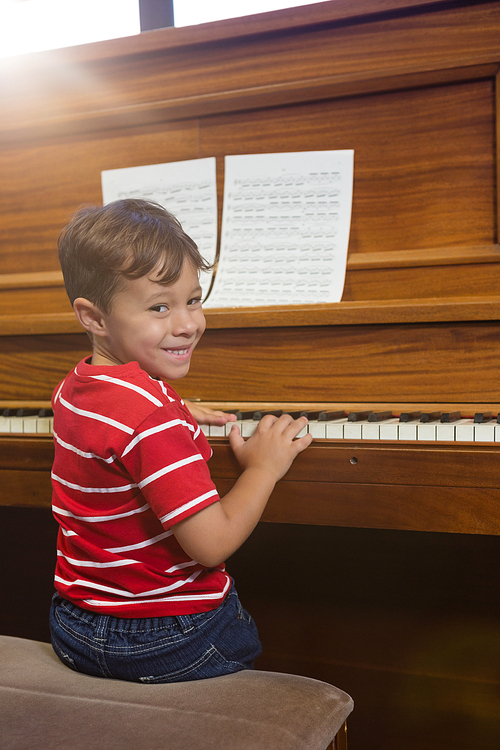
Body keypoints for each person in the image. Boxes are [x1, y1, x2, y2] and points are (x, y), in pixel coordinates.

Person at [49, 198, 312, 683]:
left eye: (193, 299)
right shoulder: (150, 419)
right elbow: (211, 546)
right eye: (160, 307)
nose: (188, 323)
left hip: (76, 626)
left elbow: (118, 427)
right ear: (94, 316)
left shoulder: (76, 387)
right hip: (164, 640)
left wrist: (172, 408)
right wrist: (263, 468)